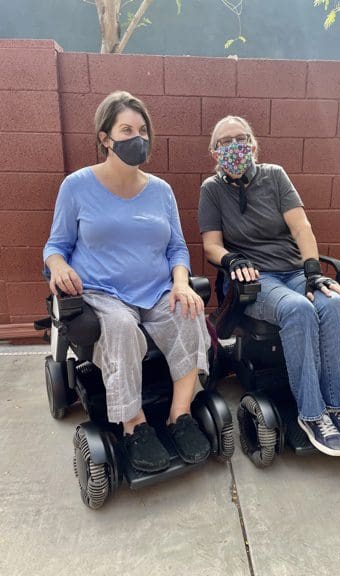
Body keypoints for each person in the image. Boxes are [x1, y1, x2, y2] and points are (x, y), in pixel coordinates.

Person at [44, 91, 211, 473]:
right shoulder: (77, 186)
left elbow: (177, 248)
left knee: (187, 314)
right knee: (119, 328)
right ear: (105, 138)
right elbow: (56, 245)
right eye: (126, 129)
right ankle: (134, 425)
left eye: (142, 130)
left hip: (154, 289)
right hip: (103, 292)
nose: (137, 137)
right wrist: (56, 266)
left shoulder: (161, 191)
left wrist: (181, 284)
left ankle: (179, 416)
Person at [198, 115, 340, 457]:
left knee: (334, 303)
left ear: (254, 145)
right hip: (255, 280)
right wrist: (232, 260)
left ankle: (338, 407)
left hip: (293, 271)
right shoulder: (211, 190)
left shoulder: (275, 176)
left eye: (240, 138)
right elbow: (211, 245)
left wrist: (311, 272)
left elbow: (301, 227)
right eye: (224, 142)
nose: (234, 147)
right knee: (299, 308)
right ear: (214, 153)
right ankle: (312, 414)